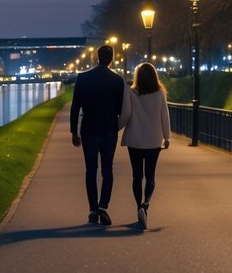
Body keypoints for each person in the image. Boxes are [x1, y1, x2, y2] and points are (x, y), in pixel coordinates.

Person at [69, 44, 130, 226]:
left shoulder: (83, 78)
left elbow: (75, 107)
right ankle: (103, 206)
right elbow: (121, 109)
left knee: (91, 171)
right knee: (107, 170)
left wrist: (74, 131)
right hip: (109, 130)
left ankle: (92, 209)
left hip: (89, 130)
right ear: (111, 59)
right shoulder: (117, 81)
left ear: (97, 57)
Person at [121, 61, 171, 229]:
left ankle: (137, 207)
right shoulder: (159, 94)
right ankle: (146, 204)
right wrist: (167, 137)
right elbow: (165, 115)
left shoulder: (131, 93)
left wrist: (115, 127)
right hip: (153, 140)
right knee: (150, 176)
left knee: (137, 176)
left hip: (134, 139)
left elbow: (126, 114)